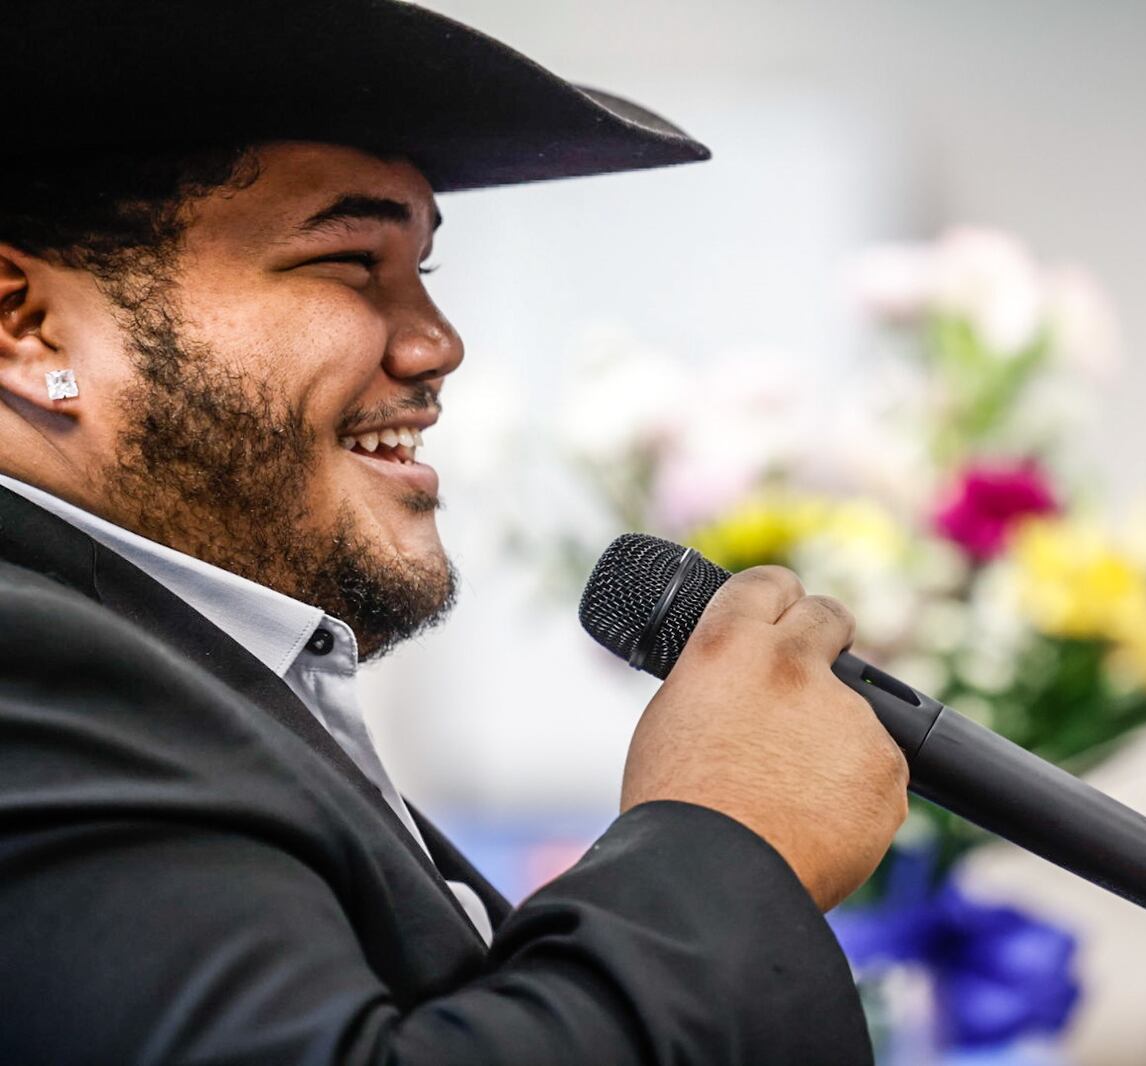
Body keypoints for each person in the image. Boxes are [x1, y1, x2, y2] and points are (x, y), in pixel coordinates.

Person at [0, 2, 908, 1063]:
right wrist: (726, 838)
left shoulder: (176, 670)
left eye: (420, 270)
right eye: (347, 261)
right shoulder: (30, 665)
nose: (438, 345)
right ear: (26, 327)